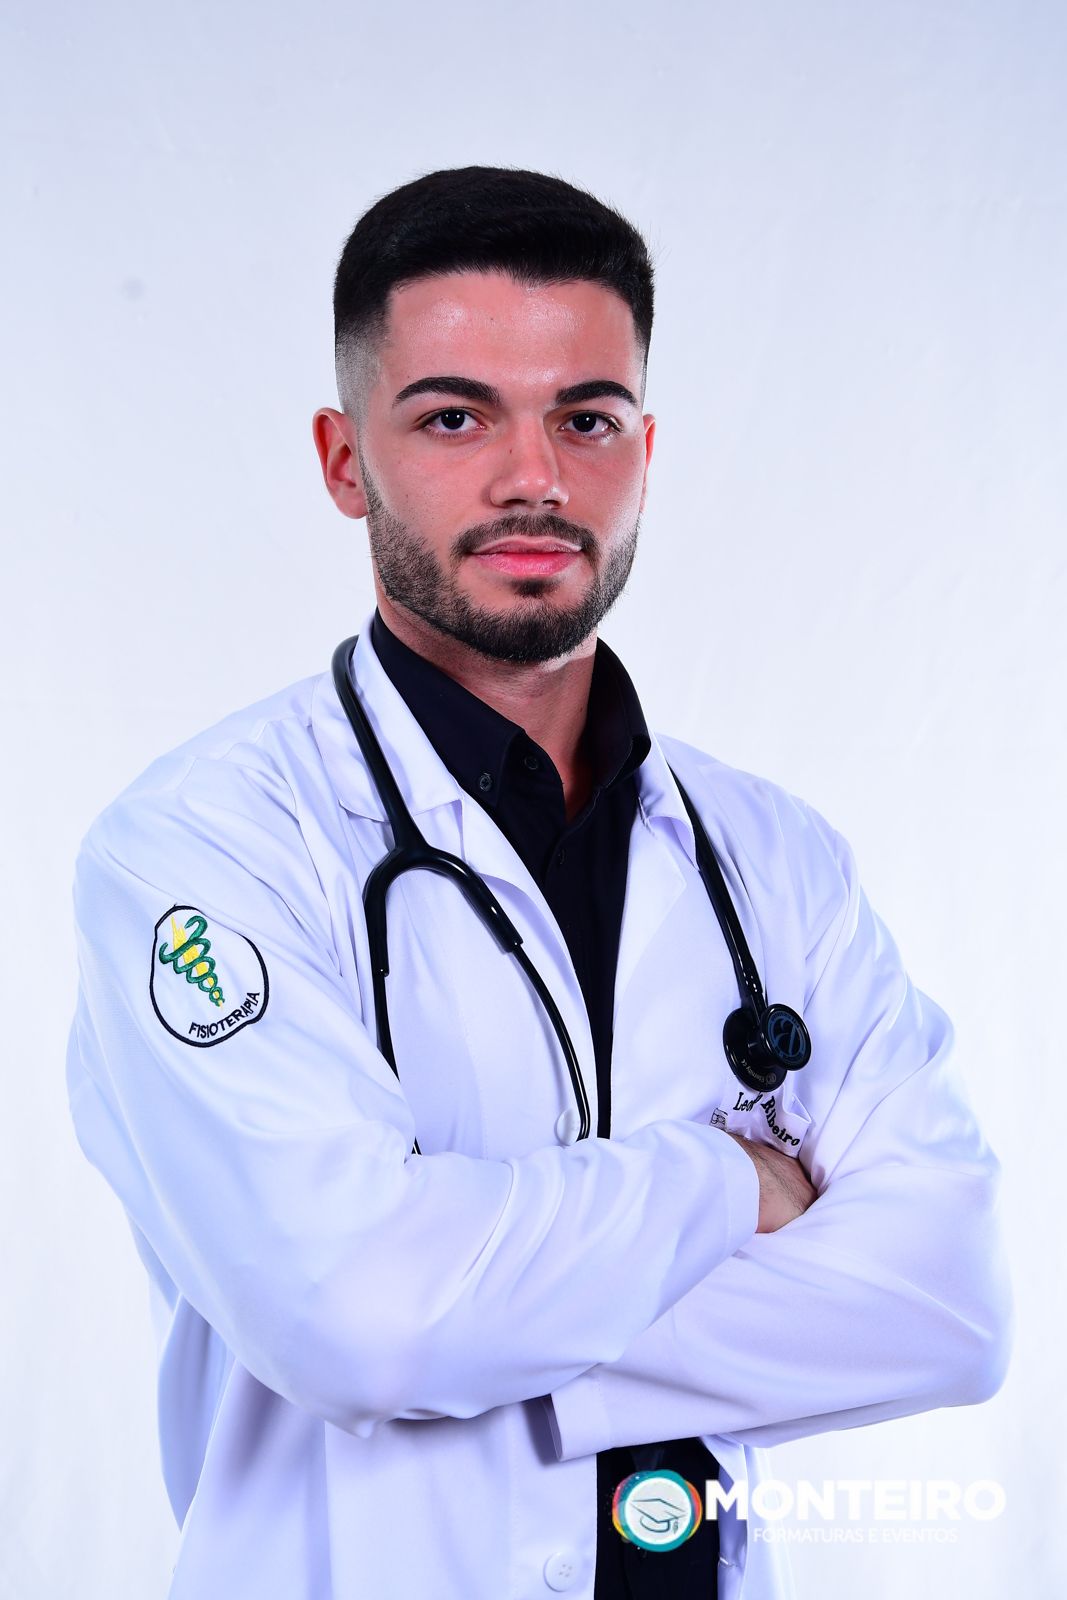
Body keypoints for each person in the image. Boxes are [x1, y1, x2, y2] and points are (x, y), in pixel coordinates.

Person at [66, 166, 1011, 1600]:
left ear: (647, 451)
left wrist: (476, 1321)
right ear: (343, 461)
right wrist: (728, 1180)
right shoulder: (205, 848)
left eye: (588, 418)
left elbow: (946, 1303)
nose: (535, 480)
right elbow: (352, 1318)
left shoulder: (774, 856)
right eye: (455, 417)